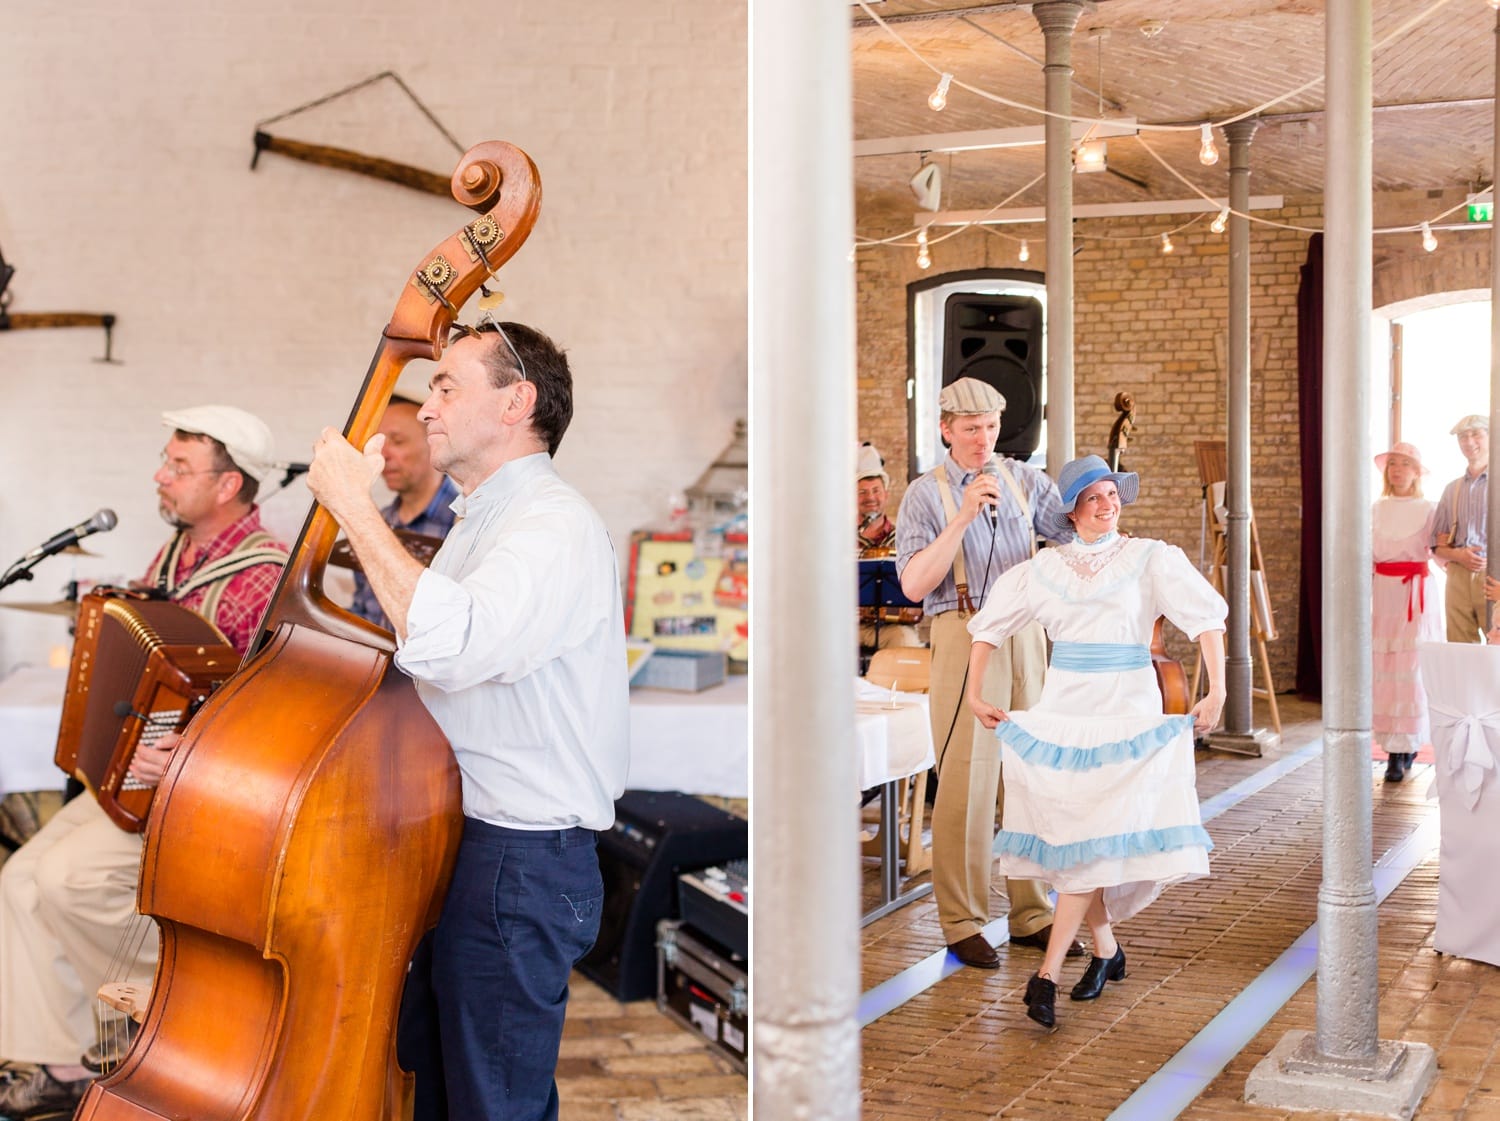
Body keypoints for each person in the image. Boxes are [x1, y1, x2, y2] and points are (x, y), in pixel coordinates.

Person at [305, 320, 629, 1121]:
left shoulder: (550, 524)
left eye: (448, 384)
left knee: (495, 1104)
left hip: (522, 858)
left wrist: (354, 505)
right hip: (477, 842)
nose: (426, 407)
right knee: (448, 1089)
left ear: (516, 401)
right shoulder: (485, 518)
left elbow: (449, 644)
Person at [0, 406, 288, 1117]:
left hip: (194, 793)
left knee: (70, 880)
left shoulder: (264, 575)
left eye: (178, 467)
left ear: (229, 486)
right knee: (21, 877)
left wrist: (190, 748)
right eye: (166, 460)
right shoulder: (174, 558)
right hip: (132, 779)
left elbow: (264, 705)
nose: (160, 476)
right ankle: (66, 1060)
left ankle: (205, 1007)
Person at [965, 455, 1226, 1030]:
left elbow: (1206, 619)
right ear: (1072, 511)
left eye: (1112, 494)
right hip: (1064, 711)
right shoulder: (1044, 567)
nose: (1106, 504)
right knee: (1080, 839)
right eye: (1092, 498)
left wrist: (1217, 690)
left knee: (1089, 842)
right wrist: (974, 692)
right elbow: (987, 626)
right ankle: (1107, 951)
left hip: (1126, 711)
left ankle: (1046, 977)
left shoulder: (1150, 557)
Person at [894, 377, 1078, 970]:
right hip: (964, 630)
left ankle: (1031, 911)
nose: (983, 440)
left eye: (992, 428)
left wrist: (1099, 500)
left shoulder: (1026, 481)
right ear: (945, 429)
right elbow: (915, 584)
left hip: (1028, 636)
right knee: (968, 781)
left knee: (1029, 775)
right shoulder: (924, 495)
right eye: (971, 429)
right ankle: (962, 920)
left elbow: (1075, 537)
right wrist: (963, 517)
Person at [348, 389, 460, 630]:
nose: (383, 454)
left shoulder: (463, 521)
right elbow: (363, 609)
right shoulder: (378, 521)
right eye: (379, 443)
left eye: (397, 441)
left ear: (433, 445)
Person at [1371, 441, 1441, 783]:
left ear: (1416, 471)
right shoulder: (1375, 508)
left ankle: (1407, 746)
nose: (1397, 470)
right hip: (1384, 593)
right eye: (1392, 464)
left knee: (1411, 667)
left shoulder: (1429, 507)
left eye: (1404, 464)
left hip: (1416, 594)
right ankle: (1392, 750)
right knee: (1386, 667)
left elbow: (1441, 550)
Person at [1431, 414, 1489, 643]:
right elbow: (1436, 544)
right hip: (1457, 576)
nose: (1469, 441)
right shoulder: (1451, 489)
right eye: (1463, 437)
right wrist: (1459, 555)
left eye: (1476, 434)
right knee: (1459, 644)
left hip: (1494, 576)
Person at [856, 441, 920, 651]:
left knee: (906, 642)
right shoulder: (839, 539)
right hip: (847, 626)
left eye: (876, 490)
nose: (870, 498)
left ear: (886, 495)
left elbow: (919, 584)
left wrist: (915, 609)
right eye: (862, 492)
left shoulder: (904, 537)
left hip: (891, 627)